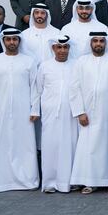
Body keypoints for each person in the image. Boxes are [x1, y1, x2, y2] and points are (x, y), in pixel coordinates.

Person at [0, 29, 40, 192]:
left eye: (15, 39)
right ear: (4, 41)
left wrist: (34, 110)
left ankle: (28, 180)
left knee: (26, 146)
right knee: (2, 144)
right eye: (8, 40)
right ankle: (3, 181)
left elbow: (35, 88)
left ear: (19, 41)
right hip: (0, 112)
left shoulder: (28, 61)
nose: (11, 42)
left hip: (25, 112)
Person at [69, 32, 108, 194]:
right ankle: (89, 181)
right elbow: (74, 88)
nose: (98, 44)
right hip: (88, 114)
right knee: (89, 147)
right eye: (95, 41)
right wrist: (79, 112)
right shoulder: (81, 62)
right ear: (90, 43)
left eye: (101, 41)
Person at [34, 35, 78, 193]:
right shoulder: (44, 66)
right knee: (50, 146)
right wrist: (35, 110)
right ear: (53, 48)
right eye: (59, 47)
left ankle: (69, 182)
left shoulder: (76, 65)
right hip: (50, 113)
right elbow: (38, 91)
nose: (62, 50)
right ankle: (50, 182)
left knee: (70, 146)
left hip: (71, 114)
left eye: (65, 47)